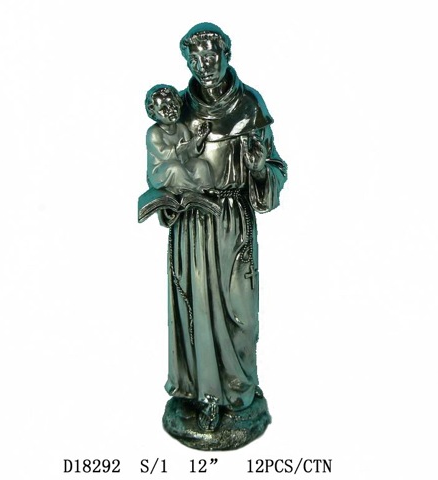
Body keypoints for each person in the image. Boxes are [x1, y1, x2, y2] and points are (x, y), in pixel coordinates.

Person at [157, 22, 287, 436]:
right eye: (195, 59)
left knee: (239, 312)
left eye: (212, 56)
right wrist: (168, 200)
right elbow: (162, 164)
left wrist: (259, 170)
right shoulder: (177, 108)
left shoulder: (249, 105)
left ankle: (238, 390)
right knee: (195, 307)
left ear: (227, 55)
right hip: (193, 225)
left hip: (232, 223)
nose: (205, 65)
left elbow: (276, 168)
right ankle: (202, 394)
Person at [145, 84, 212, 194]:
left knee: (200, 164)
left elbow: (190, 152)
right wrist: (178, 149)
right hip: (161, 171)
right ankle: (196, 190)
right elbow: (163, 154)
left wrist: (199, 138)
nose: (170, 110)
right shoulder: (154, 133)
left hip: (182, 164)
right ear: (153, 112)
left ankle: (208, 189)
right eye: (163, 108)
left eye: (173, 105)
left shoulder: (182, 128)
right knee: (175, 168)